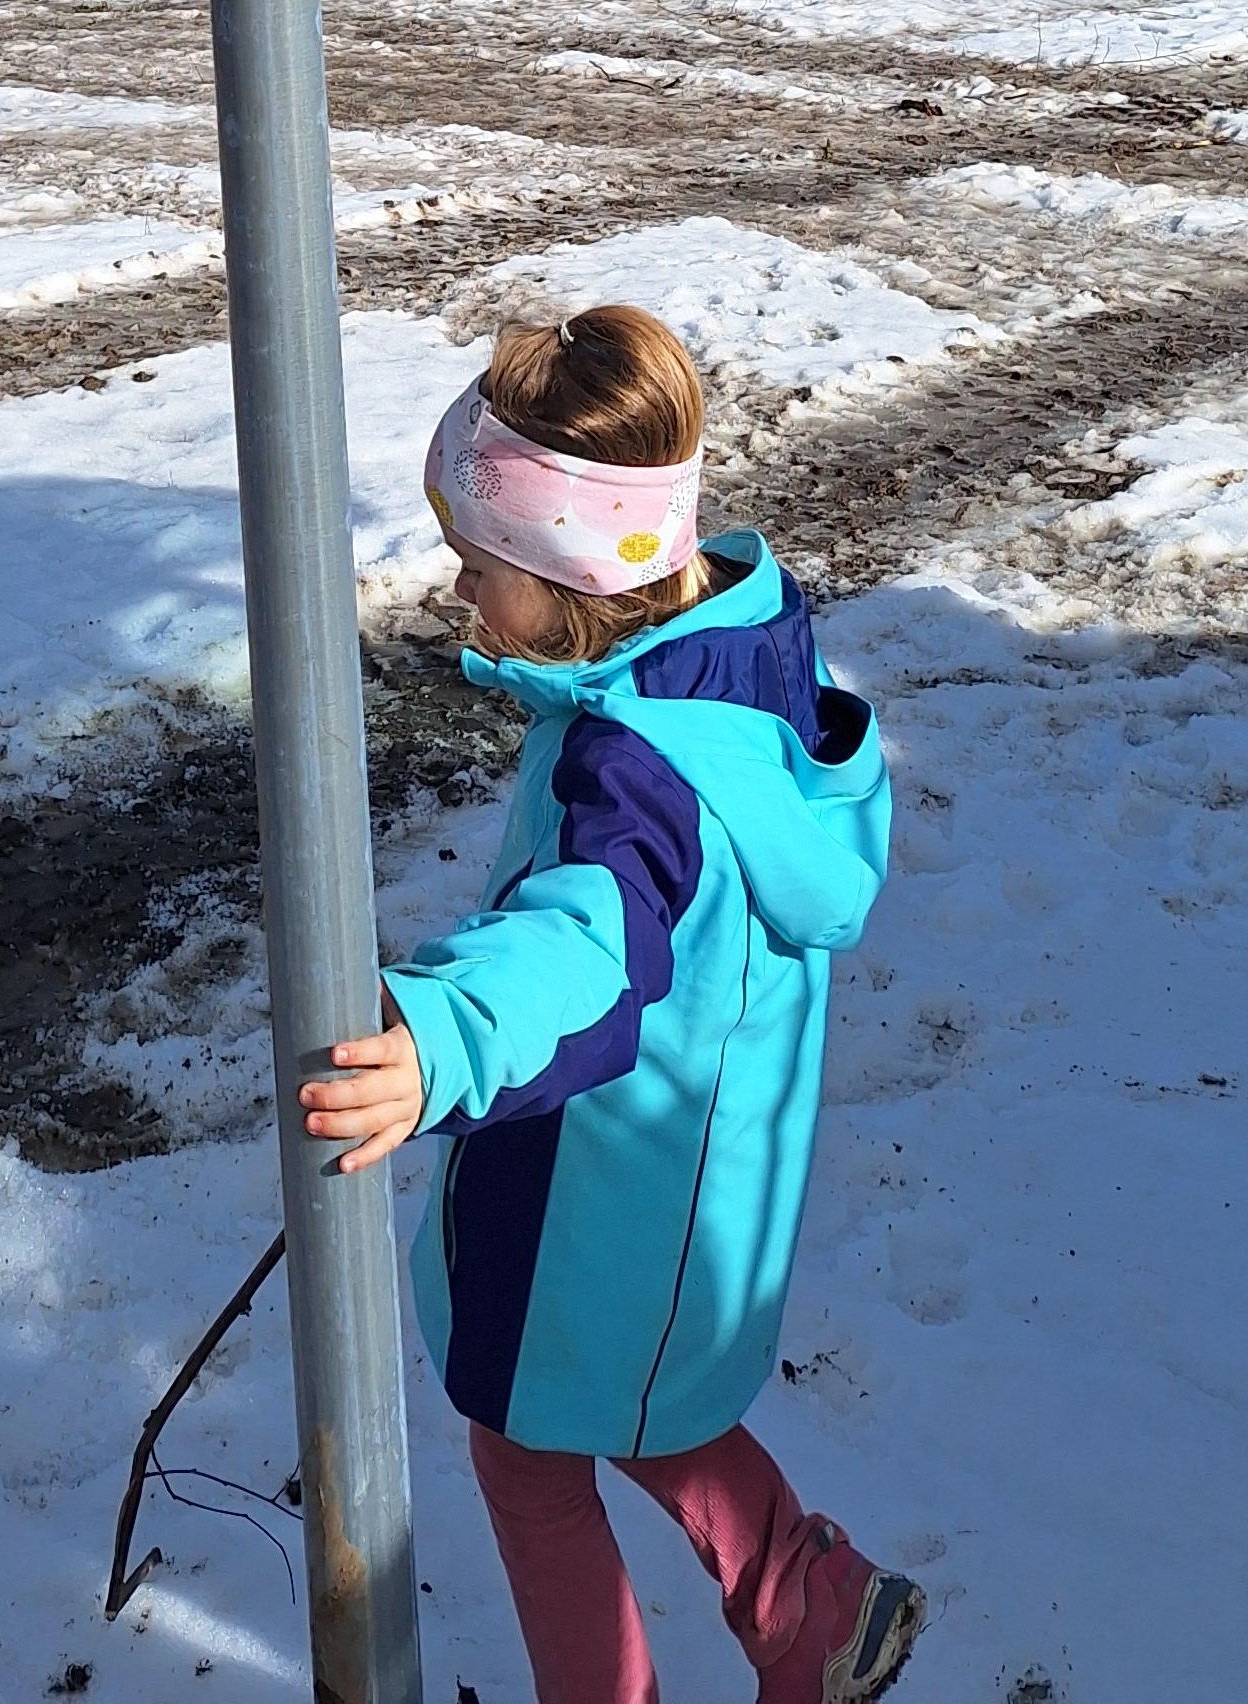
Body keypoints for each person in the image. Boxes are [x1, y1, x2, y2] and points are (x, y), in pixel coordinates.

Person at [301, 305, 924, 1704]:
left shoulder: (635, 767)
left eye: (477, 566)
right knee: (637, 1401)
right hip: (692, 1168)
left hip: (607, 1180)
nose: (459, 591)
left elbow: (586, 945)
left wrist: (440, 1038)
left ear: (564, 572)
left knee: (528, 1453)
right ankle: (809, 1603)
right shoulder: (736, 652)